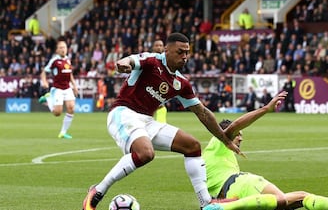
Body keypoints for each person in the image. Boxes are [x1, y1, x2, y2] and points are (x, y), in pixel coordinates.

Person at [82, 33, 241, 210]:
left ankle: (206, 203)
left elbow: (202, 113)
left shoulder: (181, 82)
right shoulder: (152, 61)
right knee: (145, 153)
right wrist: (123, 64)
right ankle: (97, 191)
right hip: (124, 113)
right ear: (167, 49)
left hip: (147, 121)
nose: (185, 57)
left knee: (192, 146)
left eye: (187, 53)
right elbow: (130, 60)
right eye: (180, 52)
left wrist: (224, 139)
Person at [202, 91, 328, 210]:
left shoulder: (211, 156)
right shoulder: (219, 141)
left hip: (229, 195)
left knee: (294, 201)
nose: (241, 138)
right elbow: (236, 125)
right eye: (238, 135)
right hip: (242, 184)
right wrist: (265, 109)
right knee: (290, 200)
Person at [38, 39, 78, 139]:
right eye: (60, 48)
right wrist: (44, 82)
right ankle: (47, 98)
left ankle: (63, 133)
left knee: (71, 108)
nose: (63, 49)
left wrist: (74, 86)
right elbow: (44, 72)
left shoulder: (68, 59)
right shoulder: (54, 60)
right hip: (58, 89)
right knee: (57, 113)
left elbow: (70, 74)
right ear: (57, 50)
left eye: (64, 47)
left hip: (67, 88)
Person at [152, 39, 168, 123]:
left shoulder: (166, 60)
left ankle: (161, 126)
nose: (159, 47)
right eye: (157, 45)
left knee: (161, 107)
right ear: (153, 47)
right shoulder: (149, 58)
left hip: (160, 87)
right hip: (149, 87)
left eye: (160, 45)